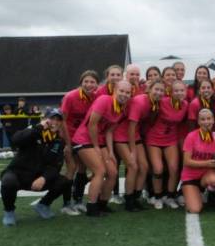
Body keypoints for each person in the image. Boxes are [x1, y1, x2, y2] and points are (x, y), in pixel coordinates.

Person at [72, 80, 132, 217]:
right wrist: (97, 147)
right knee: (100, 171)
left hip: (100, 141)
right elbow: (92, 125)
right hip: (84, 139)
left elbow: (109, 132)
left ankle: (102, 204)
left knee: (113, 172)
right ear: (115, 90)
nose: (124, 94)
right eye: (121, 91)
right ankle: (91, 208)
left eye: (127, 92)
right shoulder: (104, 100)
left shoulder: (122, 109)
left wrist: (110, 151)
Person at [0, 108, 68, 227]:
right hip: (18, 174)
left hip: (37, 178)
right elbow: (16, 140)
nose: (55, 122)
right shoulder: (33, 130)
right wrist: (39, 127)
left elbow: (55, 166)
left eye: (58, 120)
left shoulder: (58, 141)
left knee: (64, 181)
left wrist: (44, 178)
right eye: (52, 118)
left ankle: (43, 205)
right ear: (44, 119)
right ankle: (9, 211)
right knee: (8, 182)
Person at [114, 80, 164, 211]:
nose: (158, 92)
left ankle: (136, 197)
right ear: (149, 89)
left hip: (135, 136)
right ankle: (129, 200)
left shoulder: (155, 103)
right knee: (133, 166)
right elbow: (131, 127)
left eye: (161, 90)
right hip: (122, 136)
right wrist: (132, 150)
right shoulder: (140, 102)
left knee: (144, 167)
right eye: (156, 89)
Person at [60, 70, 100, 215]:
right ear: (81, 82)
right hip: (69, 137)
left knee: (83, 168)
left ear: (96, 84)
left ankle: (78, 200)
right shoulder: (70, 96)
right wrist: (67, 143)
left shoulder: (95, 97)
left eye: (92, 82)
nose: (89, 85)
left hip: (82, 139)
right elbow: (61, 120)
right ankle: (66, 204)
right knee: (71, 168)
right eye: (86, 81)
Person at [146, 80, 189, 209]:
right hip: (154, 139)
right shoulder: (163, 101)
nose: (179, 93)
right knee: (158, 169)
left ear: (186, 91)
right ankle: (158, 197)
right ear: (171, 92)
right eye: (176, 91)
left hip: (171, 139)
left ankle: (170, 196)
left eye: (182, 90)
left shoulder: (185, 104)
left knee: (174, 168)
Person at [181, 109, 215, 214]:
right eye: (203, 119)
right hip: (190, 176)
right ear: (198, 122)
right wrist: (208, 163)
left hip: (207, 174)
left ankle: (207, 192)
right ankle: (192, 193)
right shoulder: (191, 136)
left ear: (213, 120)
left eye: (209, 119)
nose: (206, 122)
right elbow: (186, 162)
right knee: (194, 209)